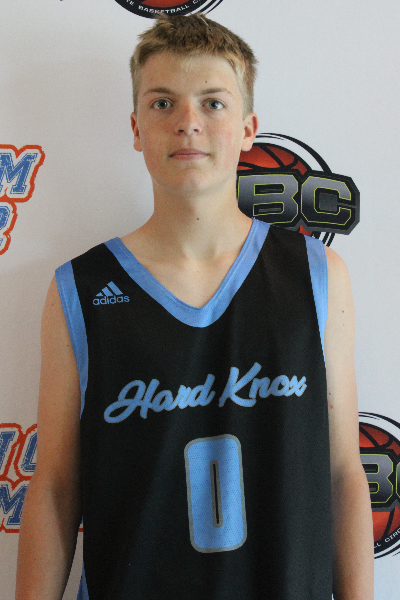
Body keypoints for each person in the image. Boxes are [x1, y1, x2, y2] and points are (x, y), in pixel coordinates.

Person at [15, 13, 374, 600]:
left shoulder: (316, 275)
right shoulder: (81, 289)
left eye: (213, 102)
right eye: (163, 103)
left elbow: (341, 474)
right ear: (136, 128)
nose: (188, 122)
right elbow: (54, 488)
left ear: (248, 128)